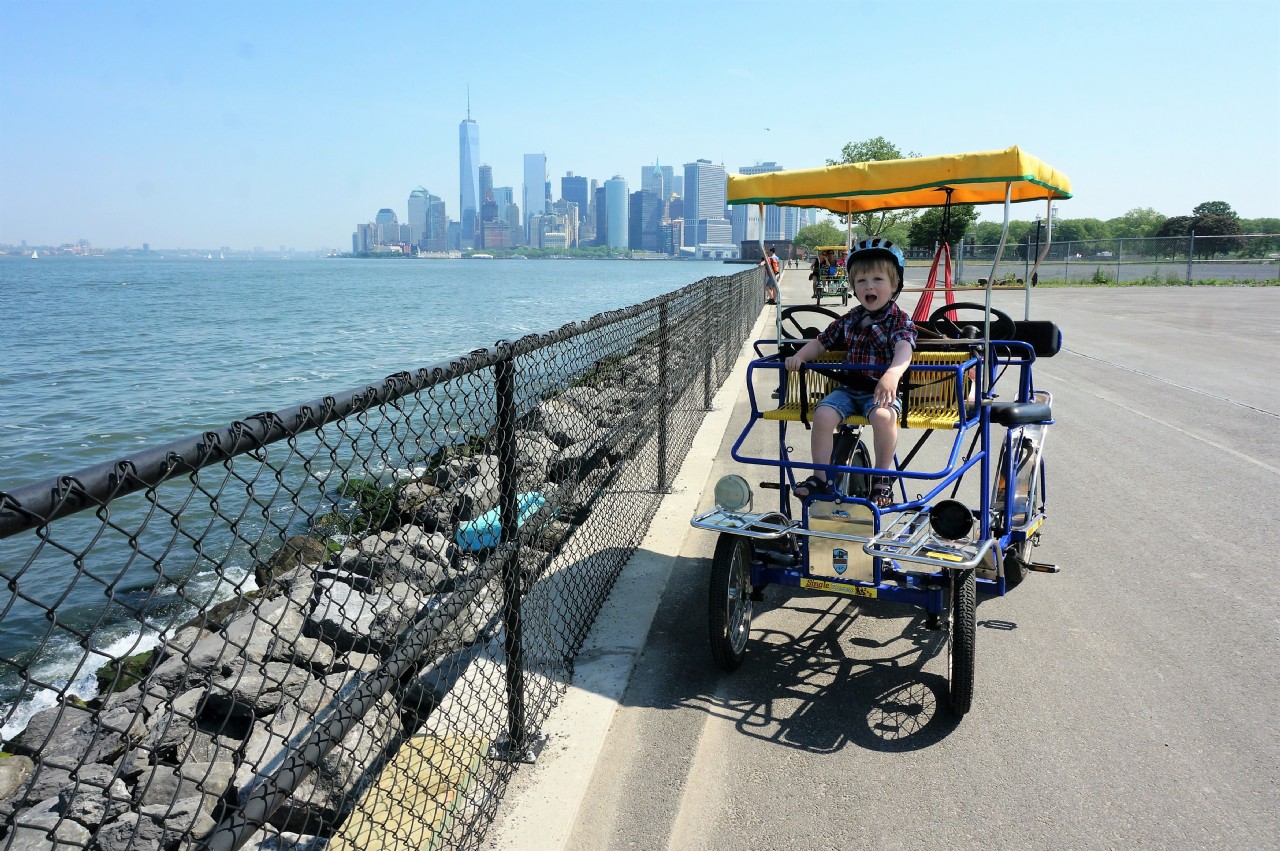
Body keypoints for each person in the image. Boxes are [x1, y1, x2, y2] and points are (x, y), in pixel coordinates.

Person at [784, 237, 916, 508]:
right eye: (861, 281)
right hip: (848, 389)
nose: (869, 286)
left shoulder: (899, 319)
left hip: (879, 391)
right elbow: (821, 342)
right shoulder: (851, 318)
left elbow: (905, 348)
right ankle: (820, 477)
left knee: (883, 415)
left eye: (878, 279)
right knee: (822, 414)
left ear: (894, 285)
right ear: (854, 288)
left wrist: (892, 375)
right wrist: (798, 356)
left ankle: (881, 477)